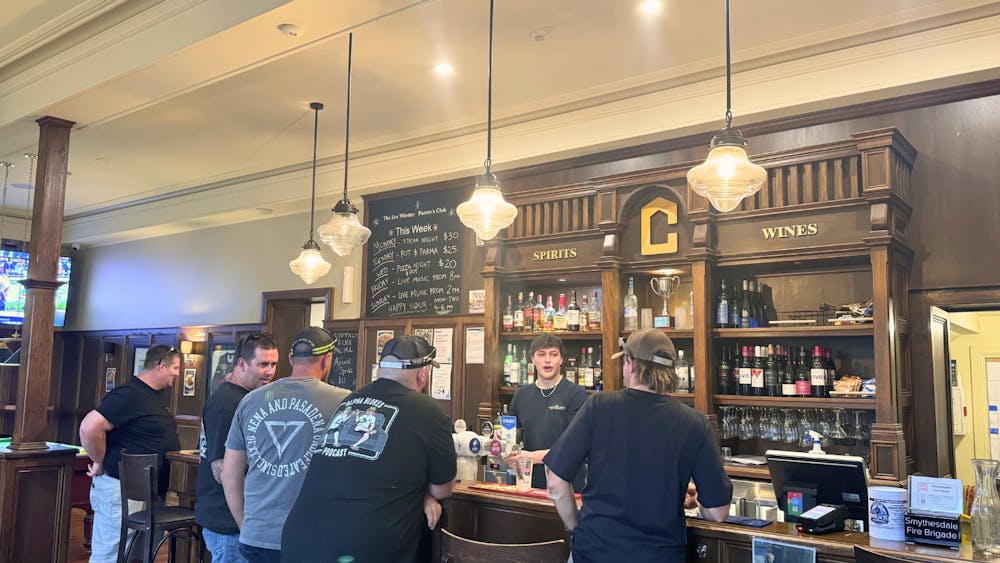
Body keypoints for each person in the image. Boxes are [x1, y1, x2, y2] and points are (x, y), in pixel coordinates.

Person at [544, 329, 732, 562]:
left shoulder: (598, 406)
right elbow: (718, 512)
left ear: (630, 364)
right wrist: (686, 495)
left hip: (594, 552)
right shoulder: (694, 422)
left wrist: (576, 527)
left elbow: (555, 480)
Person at [281, 335, 458, 562]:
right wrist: (423, 494)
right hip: (361, 549)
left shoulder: (347, 403)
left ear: (380, 370)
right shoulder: (430, 412)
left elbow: (357, 468)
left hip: (300, 543)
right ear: (423, 375)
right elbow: (443, 489)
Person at [221, 327, 350, 563]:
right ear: (327, 359)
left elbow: (229, 474)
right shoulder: (344, 402)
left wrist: (246, 526)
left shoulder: (250, 400)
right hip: (311, 537)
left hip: (256, 536)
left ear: (290, 359)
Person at [79, 344, 182, 563]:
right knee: (111, 555)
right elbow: (89, 427)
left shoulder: (156, 396)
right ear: (161, 366)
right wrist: (99, 460)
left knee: (139, 556)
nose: (177, 373)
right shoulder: (129, 393)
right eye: (175, 367)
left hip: (149, 491)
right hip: (121, 488)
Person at [196, 333, 278, 563]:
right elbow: (221, 470)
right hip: (227, 521)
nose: (270, 371)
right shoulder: (227, 404)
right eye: (262, 364)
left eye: (273, 364)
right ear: (242, 364)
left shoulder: (246, 399)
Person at [508, 333, 588, 489]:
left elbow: (575, 447)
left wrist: (532, 457)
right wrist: (505, 441)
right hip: (528, 485)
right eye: (541, 354)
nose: (547, 360)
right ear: (532, 359)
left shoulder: (577, 395)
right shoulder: (521, 395)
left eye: (553, 354)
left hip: (566, 486)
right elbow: (514, 436)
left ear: (561, 360)